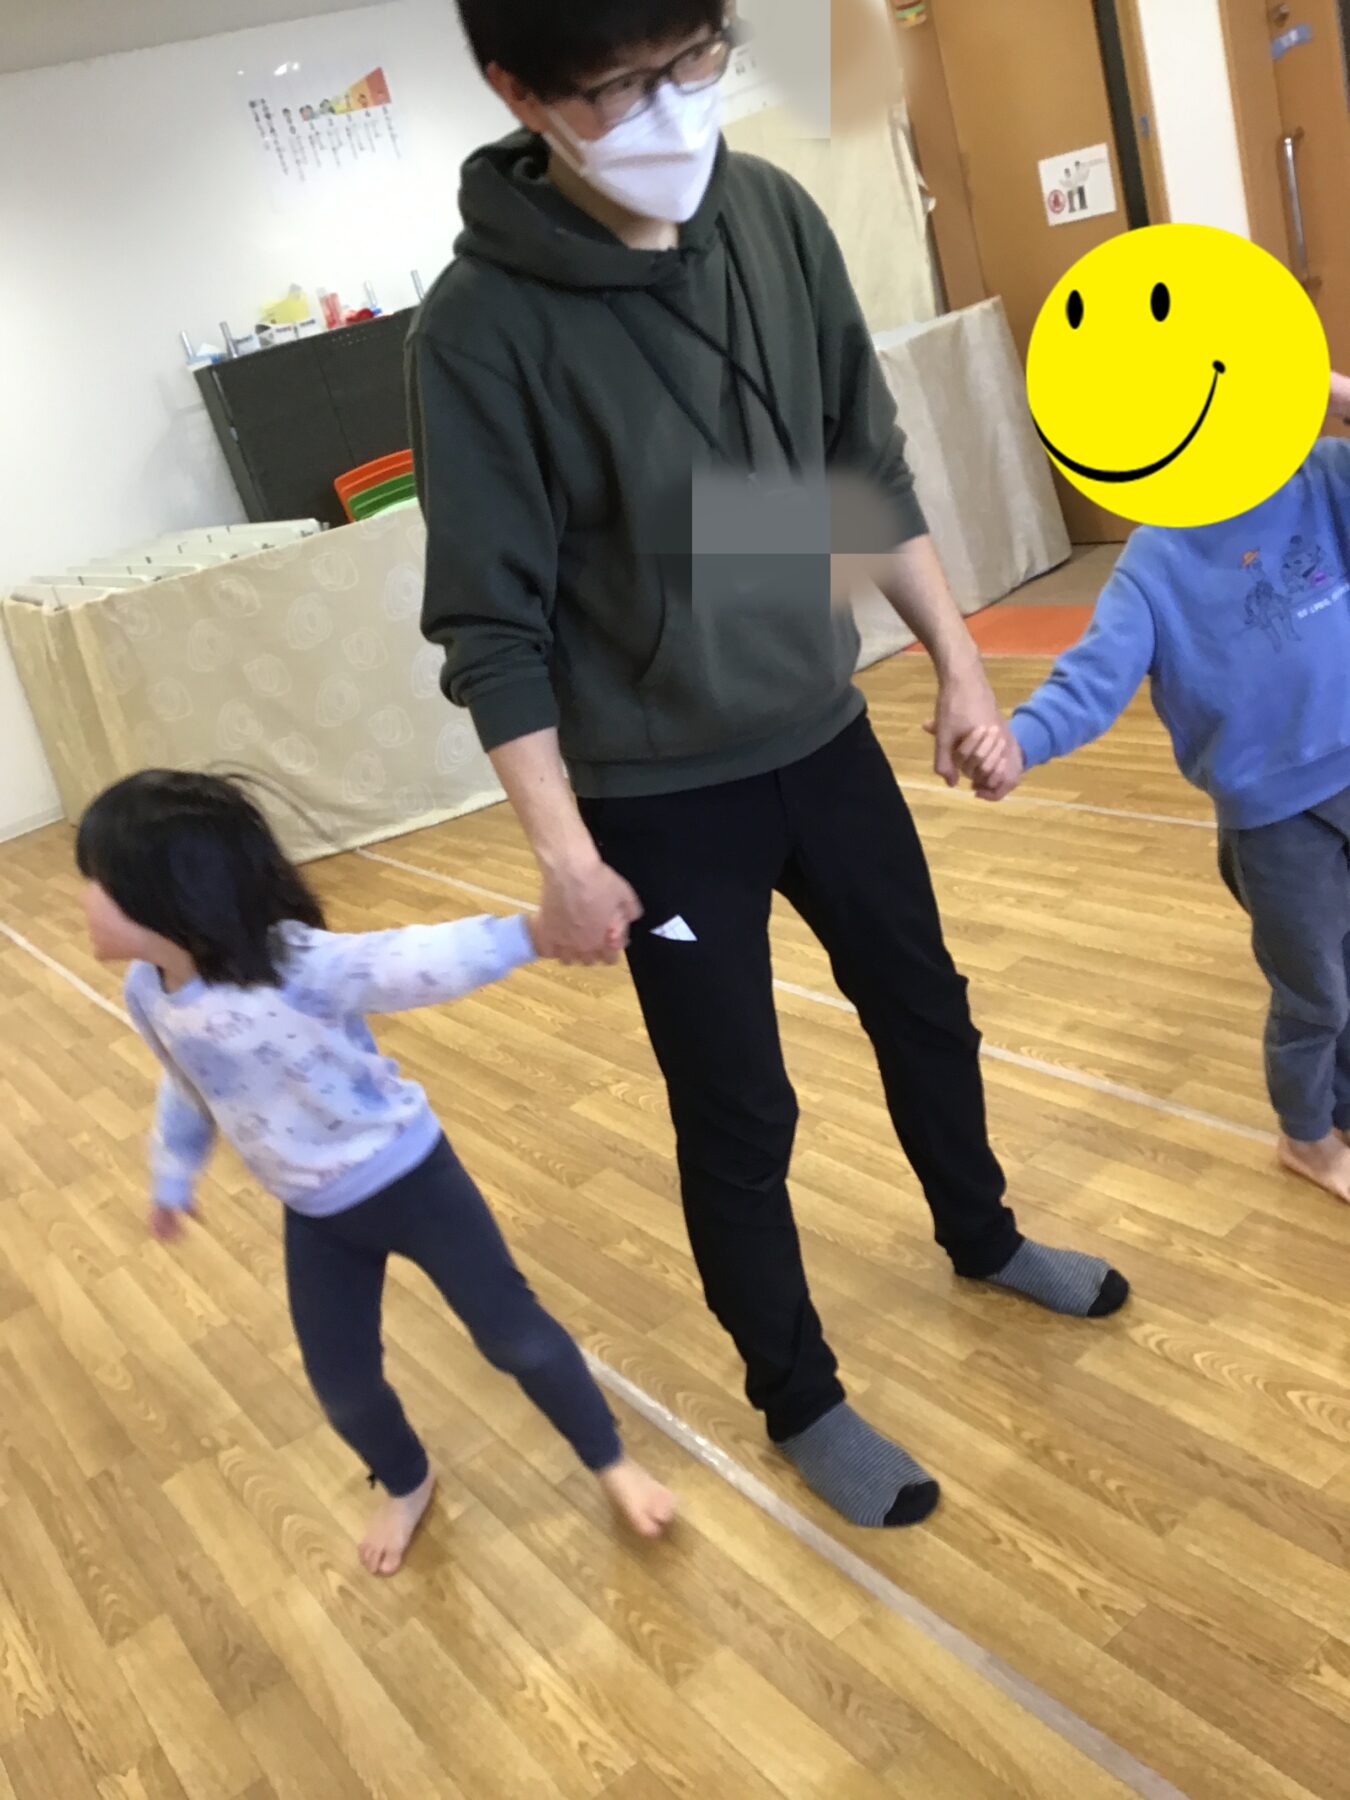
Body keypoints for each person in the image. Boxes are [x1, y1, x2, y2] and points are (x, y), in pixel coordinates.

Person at [409, 0, 1128, 1531]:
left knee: (924, 1005)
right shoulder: (476, 331)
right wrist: (564, 855)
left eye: (695, 60)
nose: (675, 109)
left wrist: (954, 664)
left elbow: (856, 466)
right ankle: (796, 1395)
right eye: (619, 88)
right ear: (519, 94)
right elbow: (489, 625)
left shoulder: (773, 216)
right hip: (657, 799)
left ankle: (983, 1235)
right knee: (739, 1109)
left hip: (823, 730)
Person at [76, 771, 675, 1573]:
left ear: (166, 897)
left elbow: (408, 962)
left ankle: (610, 1460)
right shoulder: (147, 993)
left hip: (413, 1180)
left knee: (518, 1340)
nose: (82, 897)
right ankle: (406, 1480)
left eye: (97, 881)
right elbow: (188, 1085)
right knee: (344, 1388)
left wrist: (533, 933)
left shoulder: (291, 963)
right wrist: (173, 1174)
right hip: (316, 1216)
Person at [956, 430, 1350, 1201]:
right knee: (1315, 991)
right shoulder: (1155, 562)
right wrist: (1018, 743)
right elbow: (1089, 682)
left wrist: (1324, 397)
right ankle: (1307, 1137)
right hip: (1275, 822)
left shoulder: (1321, 477)